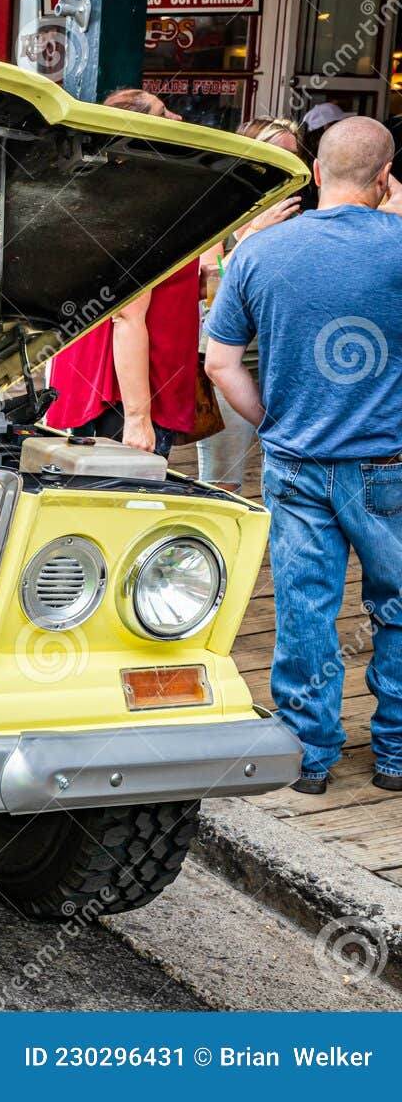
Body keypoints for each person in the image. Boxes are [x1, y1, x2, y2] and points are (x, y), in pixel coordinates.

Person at [205, 116, 402, 797]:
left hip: (295, 463)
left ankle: (310, 755)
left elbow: (220, 362)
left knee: (305, 607)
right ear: (384, 179)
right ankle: (396, 754)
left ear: (316, 173)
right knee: (398, 607)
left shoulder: (260, 253)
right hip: (390, 466)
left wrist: (273, 421)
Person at [45, 89, 197, 455]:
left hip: (97, 388)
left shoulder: (100, 193)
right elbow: (127, 315)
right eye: (164, 113)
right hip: (120, 398)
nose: (178, 118)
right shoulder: (143, 204)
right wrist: (138, 418)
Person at [195, 117, 304, 491]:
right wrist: (254, 232)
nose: (289, 162)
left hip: (283, 361)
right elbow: (211, 280)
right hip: (229, 359)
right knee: (222, 479)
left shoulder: (294, 210)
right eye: (278, 153)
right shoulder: (219, 206)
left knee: (287, 473)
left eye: (294, 154)